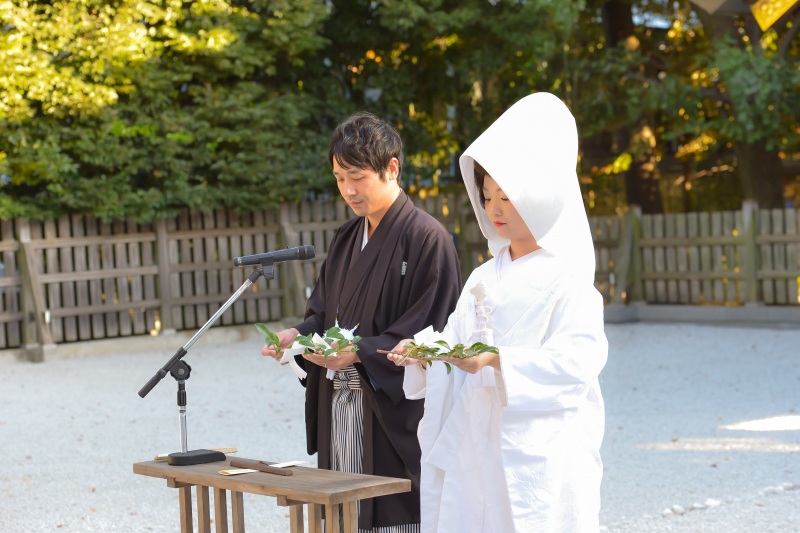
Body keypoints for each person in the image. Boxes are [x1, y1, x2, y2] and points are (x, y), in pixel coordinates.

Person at [387, 92, 608, 532]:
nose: (495, 209)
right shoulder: (482, 277)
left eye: (507, 196)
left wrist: (496, 359)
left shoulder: (569, 279)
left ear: (540, 198)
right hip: (475, 432)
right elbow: (456, 338)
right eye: (488, 196)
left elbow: (577, 362)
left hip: (536, 440)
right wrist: (427, 352)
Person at [262, 111, 462, 532]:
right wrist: (295, 336)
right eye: (339, 178)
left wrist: (361, 353)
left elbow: (432, 330)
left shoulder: (428, 239)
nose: (348, 190)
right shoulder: (347, 238)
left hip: (391, 413)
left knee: (391, 512)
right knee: (342, 512)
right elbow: (322, 313)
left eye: (357, 177)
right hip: (339, 404)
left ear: (391, 168)